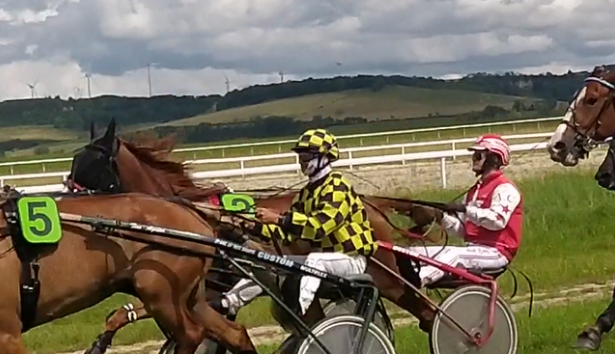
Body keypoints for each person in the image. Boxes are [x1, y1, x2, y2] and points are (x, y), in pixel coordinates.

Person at [214, 128, 377, 318]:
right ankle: (229, 302)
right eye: (300, 157)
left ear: (324, 157)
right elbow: (288, 233)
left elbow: (319, 227)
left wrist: (278, 218)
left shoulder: (337, 186)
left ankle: (301, 309)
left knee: (315, 260)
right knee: (274, 263)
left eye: (306, 156)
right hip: (324, 260)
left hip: (350, 260)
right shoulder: (306, 193)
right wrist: (255, 227)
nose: (302, 162)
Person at [405, 133, 523, 287]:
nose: (474, 158)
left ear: (494, 159)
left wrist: (465, 209)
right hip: (473, 249)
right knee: (411, 253)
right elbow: (462, 230)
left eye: (478, 155)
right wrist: (439, 216)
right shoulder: (473, 192)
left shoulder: (505, 188)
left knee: (453, 255)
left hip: (497, 253)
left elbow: (497, 221)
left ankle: (414, 283)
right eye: (474, 155)